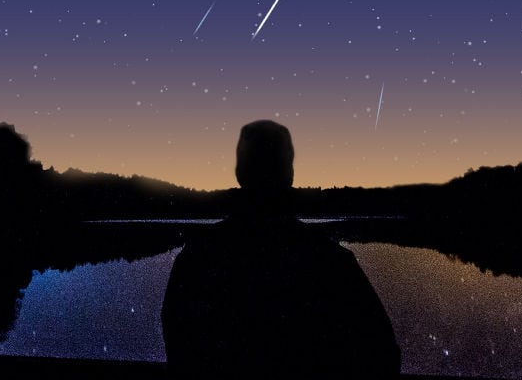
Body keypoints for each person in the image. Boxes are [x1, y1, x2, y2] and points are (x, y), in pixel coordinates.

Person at [162, 120, 401, 379]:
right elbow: (383, 354)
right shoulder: (331, 261)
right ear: (289, 173)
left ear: (239, 172)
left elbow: (179, 346)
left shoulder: (197, 259)